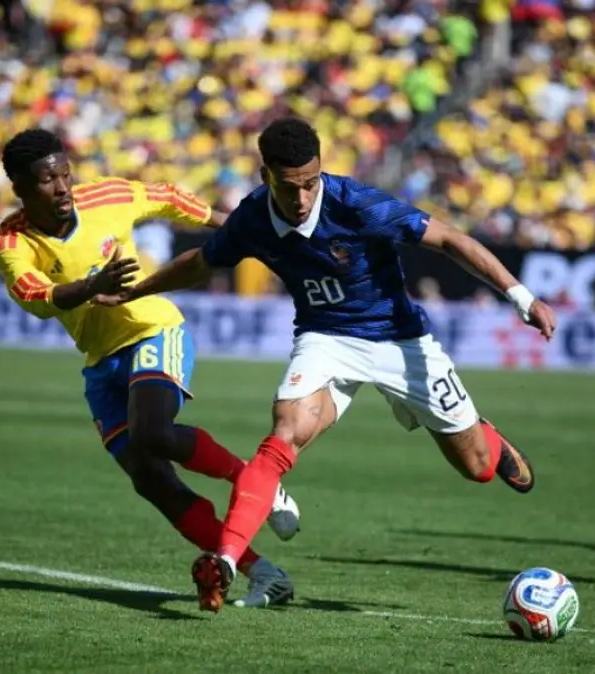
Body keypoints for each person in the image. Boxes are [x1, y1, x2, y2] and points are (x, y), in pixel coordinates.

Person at [100, 116, 557, 612]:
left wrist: (521, 297)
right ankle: (227, 562)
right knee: (284, 430)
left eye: (310, 184)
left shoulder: (356, 204)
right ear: (265, 176)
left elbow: (449, 239)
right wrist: (137, 288)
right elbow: (202, 262)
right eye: (288, 186)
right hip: (324, 338)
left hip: (399, 340)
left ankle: (485, 435)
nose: (301, 199)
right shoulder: (253, 217)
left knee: (478, 467)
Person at [0, 128, 302, 609]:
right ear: (21, 189)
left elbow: (172, 200)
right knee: (150, 478)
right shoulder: (10, 240)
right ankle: (264, 572)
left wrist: (240, 229)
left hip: (153, 330)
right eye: (48, 181)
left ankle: (252, 478)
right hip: (100, 359)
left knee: (152, 432)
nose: (62, 187)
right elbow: (38, 297)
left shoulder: (107, 196)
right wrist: (93, 286)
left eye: (65, 175)